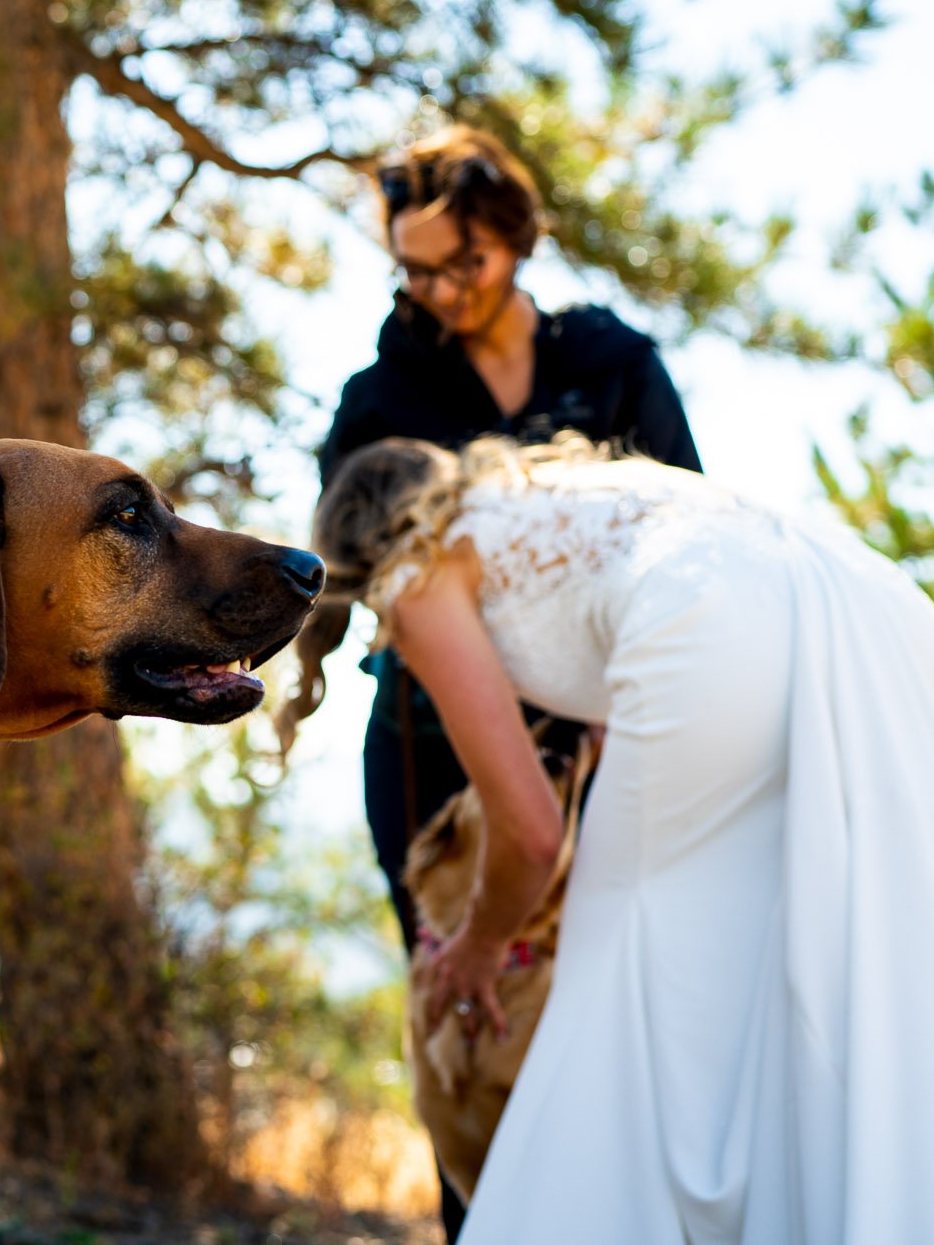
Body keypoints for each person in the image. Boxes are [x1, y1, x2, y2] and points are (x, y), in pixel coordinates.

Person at [286, 435, 934, 1242]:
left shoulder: (419, 576)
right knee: (805, 936)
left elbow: (529, 830)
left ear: (357, 550)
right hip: (868, 601)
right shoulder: (559, 492)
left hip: (716, 620)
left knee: (615, 958)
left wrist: (480, 944)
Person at [306, 126, 702, 1233]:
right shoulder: (378, 396)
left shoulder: (614, 362)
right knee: (469, 1014)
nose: (438, 289)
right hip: (431, 750)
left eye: (460, 263)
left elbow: (681, 538)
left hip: (608, 743)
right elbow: (350, 577)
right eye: (414, 268)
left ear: (517, 240)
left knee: (610, 1018)